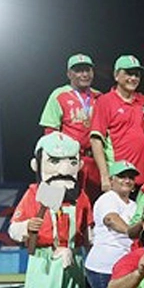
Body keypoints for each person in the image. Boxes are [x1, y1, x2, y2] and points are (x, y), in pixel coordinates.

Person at [9, 132, 92, 288]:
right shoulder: (34, 194)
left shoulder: (81, 197)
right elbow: (14, 228)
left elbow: (89, 230)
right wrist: (26, 228)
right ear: (38, 164)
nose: (64, 169)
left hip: (74, 258)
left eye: (71, 161)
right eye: (55, 162)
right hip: (45, 258)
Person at [85, 161, 138, 288]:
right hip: (104, 266)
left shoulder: (133, 205)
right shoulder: (108, 198)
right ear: (112, 180)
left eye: (131, 177)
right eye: (122, 176)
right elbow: (110, 219)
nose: (127, 180)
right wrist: (131, 231)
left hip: (122, 266)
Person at [39, 53, 102, 201]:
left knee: (92, 202)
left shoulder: (99, 96)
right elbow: (50, 132)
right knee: (59, 201)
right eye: (78, 70)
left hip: (93, 160)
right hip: (67, 161)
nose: (84, 74)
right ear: (69, 74)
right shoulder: (58, 95)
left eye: (87, 70)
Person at [89, 55, 144, 188]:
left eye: (137, 75)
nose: (133, 78)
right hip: (118, 177)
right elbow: (96, 139)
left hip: (143, 177)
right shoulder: (105, 101)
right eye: (128, 73)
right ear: (116, 75)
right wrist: (105, 176)